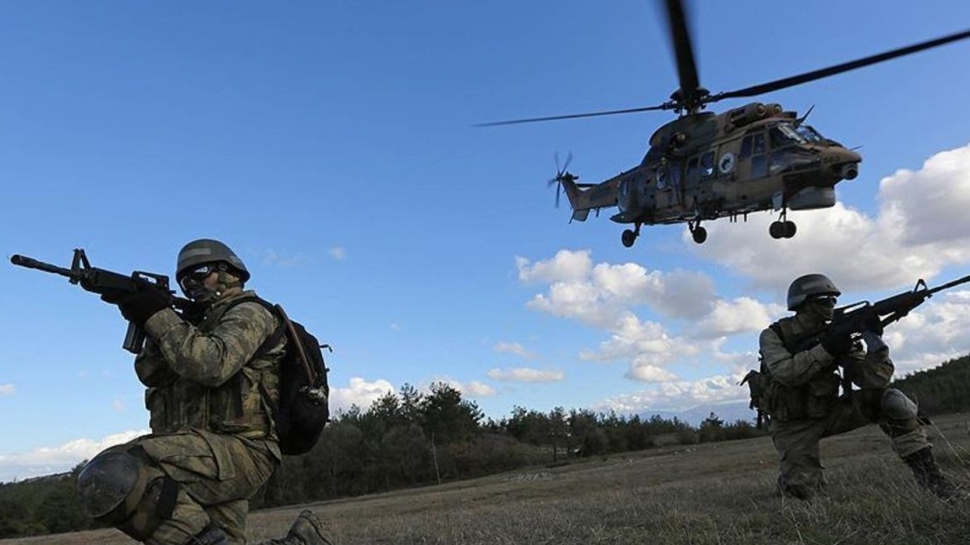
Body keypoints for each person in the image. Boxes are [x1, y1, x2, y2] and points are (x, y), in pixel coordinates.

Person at [74, 239, 335, 545]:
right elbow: (150, 374)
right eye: (184, 281)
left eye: (200, 273)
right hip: (203, 451)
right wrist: (153, 318)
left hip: (241, 451)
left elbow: (211, 364)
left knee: (112, 473)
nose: (191, 284)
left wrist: (158, 315)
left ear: (230, 272)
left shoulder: (250, 313)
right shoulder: (192, 326)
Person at [758, 273, 961, 501]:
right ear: (804, 303)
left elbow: (871, 381)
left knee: (893, 401)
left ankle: (933, 483)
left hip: (830, 411)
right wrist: (827, 349)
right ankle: (791, 483)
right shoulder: (774, 335)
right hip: (792, 425)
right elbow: (787, 373)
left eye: (834, 300)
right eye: (825, 300)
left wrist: (875, 341)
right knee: (802, 495)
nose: (831, 305)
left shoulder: (837, 333)